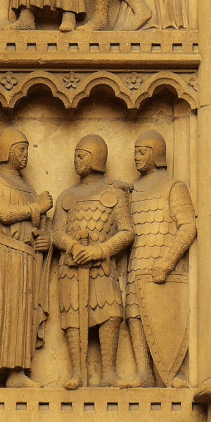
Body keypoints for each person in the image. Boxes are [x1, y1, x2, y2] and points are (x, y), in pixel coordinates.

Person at [0, 127, 53, 390]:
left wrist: (44, 239)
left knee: (21, 314)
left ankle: (17, 372)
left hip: (25, 257)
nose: (25, 155)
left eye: (26, 150)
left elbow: (37, 226)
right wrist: (37, 207)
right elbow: (3, 214)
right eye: (21, 149)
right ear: (6, 151)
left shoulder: (28, 188)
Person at [52, 135, 134, 389]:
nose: (76, 161)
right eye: (75, 156)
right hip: (71, 268)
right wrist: (73, 246)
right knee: (73, 316)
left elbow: (127, 232)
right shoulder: (67, 196)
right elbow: (56, 233)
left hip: (102, 267)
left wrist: (101, 250)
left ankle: (109, 372)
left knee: (110, 313)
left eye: (81, 156)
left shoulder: (114, 194)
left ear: (96, 158)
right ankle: (77, 372)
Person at [127, 130, 196, 387]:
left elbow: (188, 227)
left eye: (142, 152)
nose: (136, 157)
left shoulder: (173, 187)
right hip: (136, 263)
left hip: (163, 265)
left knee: (164, 316)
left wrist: (167, 262)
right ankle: (144, 373)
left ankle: (170, 373)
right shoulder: (131, 190)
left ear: (156, 154)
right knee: (134, 314)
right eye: (135, 152)